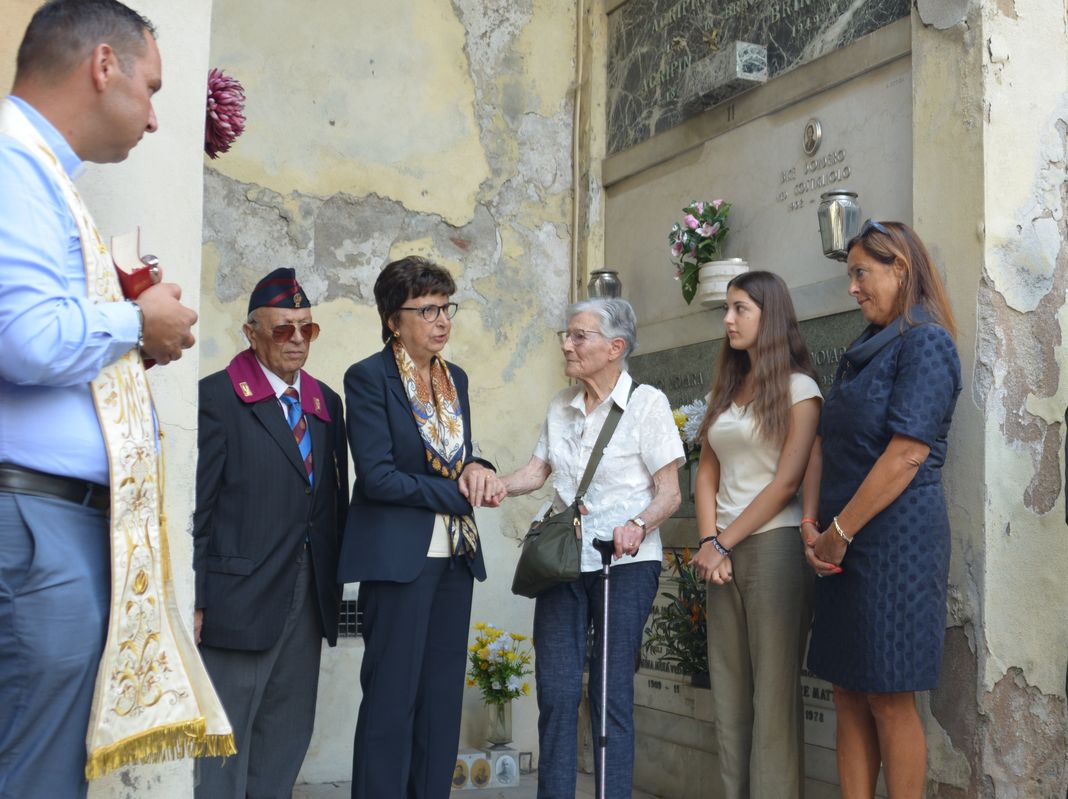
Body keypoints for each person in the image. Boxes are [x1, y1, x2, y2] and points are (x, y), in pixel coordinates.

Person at [0, 2, 204, 796]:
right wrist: (134, 319)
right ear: (103, 66)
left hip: (52, 516)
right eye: (151, 90)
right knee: (35, 768)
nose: (155, 120)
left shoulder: (41, 170)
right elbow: (21, 337)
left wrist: (126, 339)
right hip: (33, 518)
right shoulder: (15, 159)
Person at [497, 297, 684, 799]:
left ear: (615, 347)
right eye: (567, 334)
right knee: (557, 694)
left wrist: (637, 524)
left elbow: (669, 492)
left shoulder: (648, 404)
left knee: (609, 694)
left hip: (623, 564)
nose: (567, 344)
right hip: (562, 562)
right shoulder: (561, 406)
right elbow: (538, 473)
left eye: (579, 336)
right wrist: (494, 484)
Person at [803, 220, 961, 798]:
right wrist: (814, 524)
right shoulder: (862, 350)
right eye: (850, 275)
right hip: (840, 540)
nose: (853, 287)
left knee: (889, 697)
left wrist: (839, 530)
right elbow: (828, 442)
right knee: (848, 689)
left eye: (861, 273)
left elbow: (907, 454)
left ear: (901, 267)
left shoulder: (927, 342)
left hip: (896, 544)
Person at [339, 256, 502, 799]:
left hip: (455, 559)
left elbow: (463, 457)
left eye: (446, 307)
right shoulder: (368, 377)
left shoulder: (454, 379)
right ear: (394, 320)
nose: (441, 320)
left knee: (440, 704)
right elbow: (379, 476)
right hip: (399, 562)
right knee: (391, 702)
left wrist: (481, 471)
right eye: (427, 309)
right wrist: (460, 490)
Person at [194, 268, 349, 798]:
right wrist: (194, 598)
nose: (298, 340)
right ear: (251, 332)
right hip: (237, 598)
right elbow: (199, 508)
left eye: (308, 328)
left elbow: (334, 502)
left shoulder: (326, 403)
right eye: (284, 329)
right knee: (223, 743)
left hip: (306, 598)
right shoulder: (217, 398)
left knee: (285, 735)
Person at [688, 271, 821, 798]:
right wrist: (707, 542)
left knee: (773, 699)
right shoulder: (725, 388)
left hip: (773, 547)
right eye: (727, 308)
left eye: (740, 308)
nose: (728, 319)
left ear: (771, 315)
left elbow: (787, 480)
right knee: (730, 695)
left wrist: (724, 542)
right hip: (720, 553)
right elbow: (706, 472)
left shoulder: (799, 388)